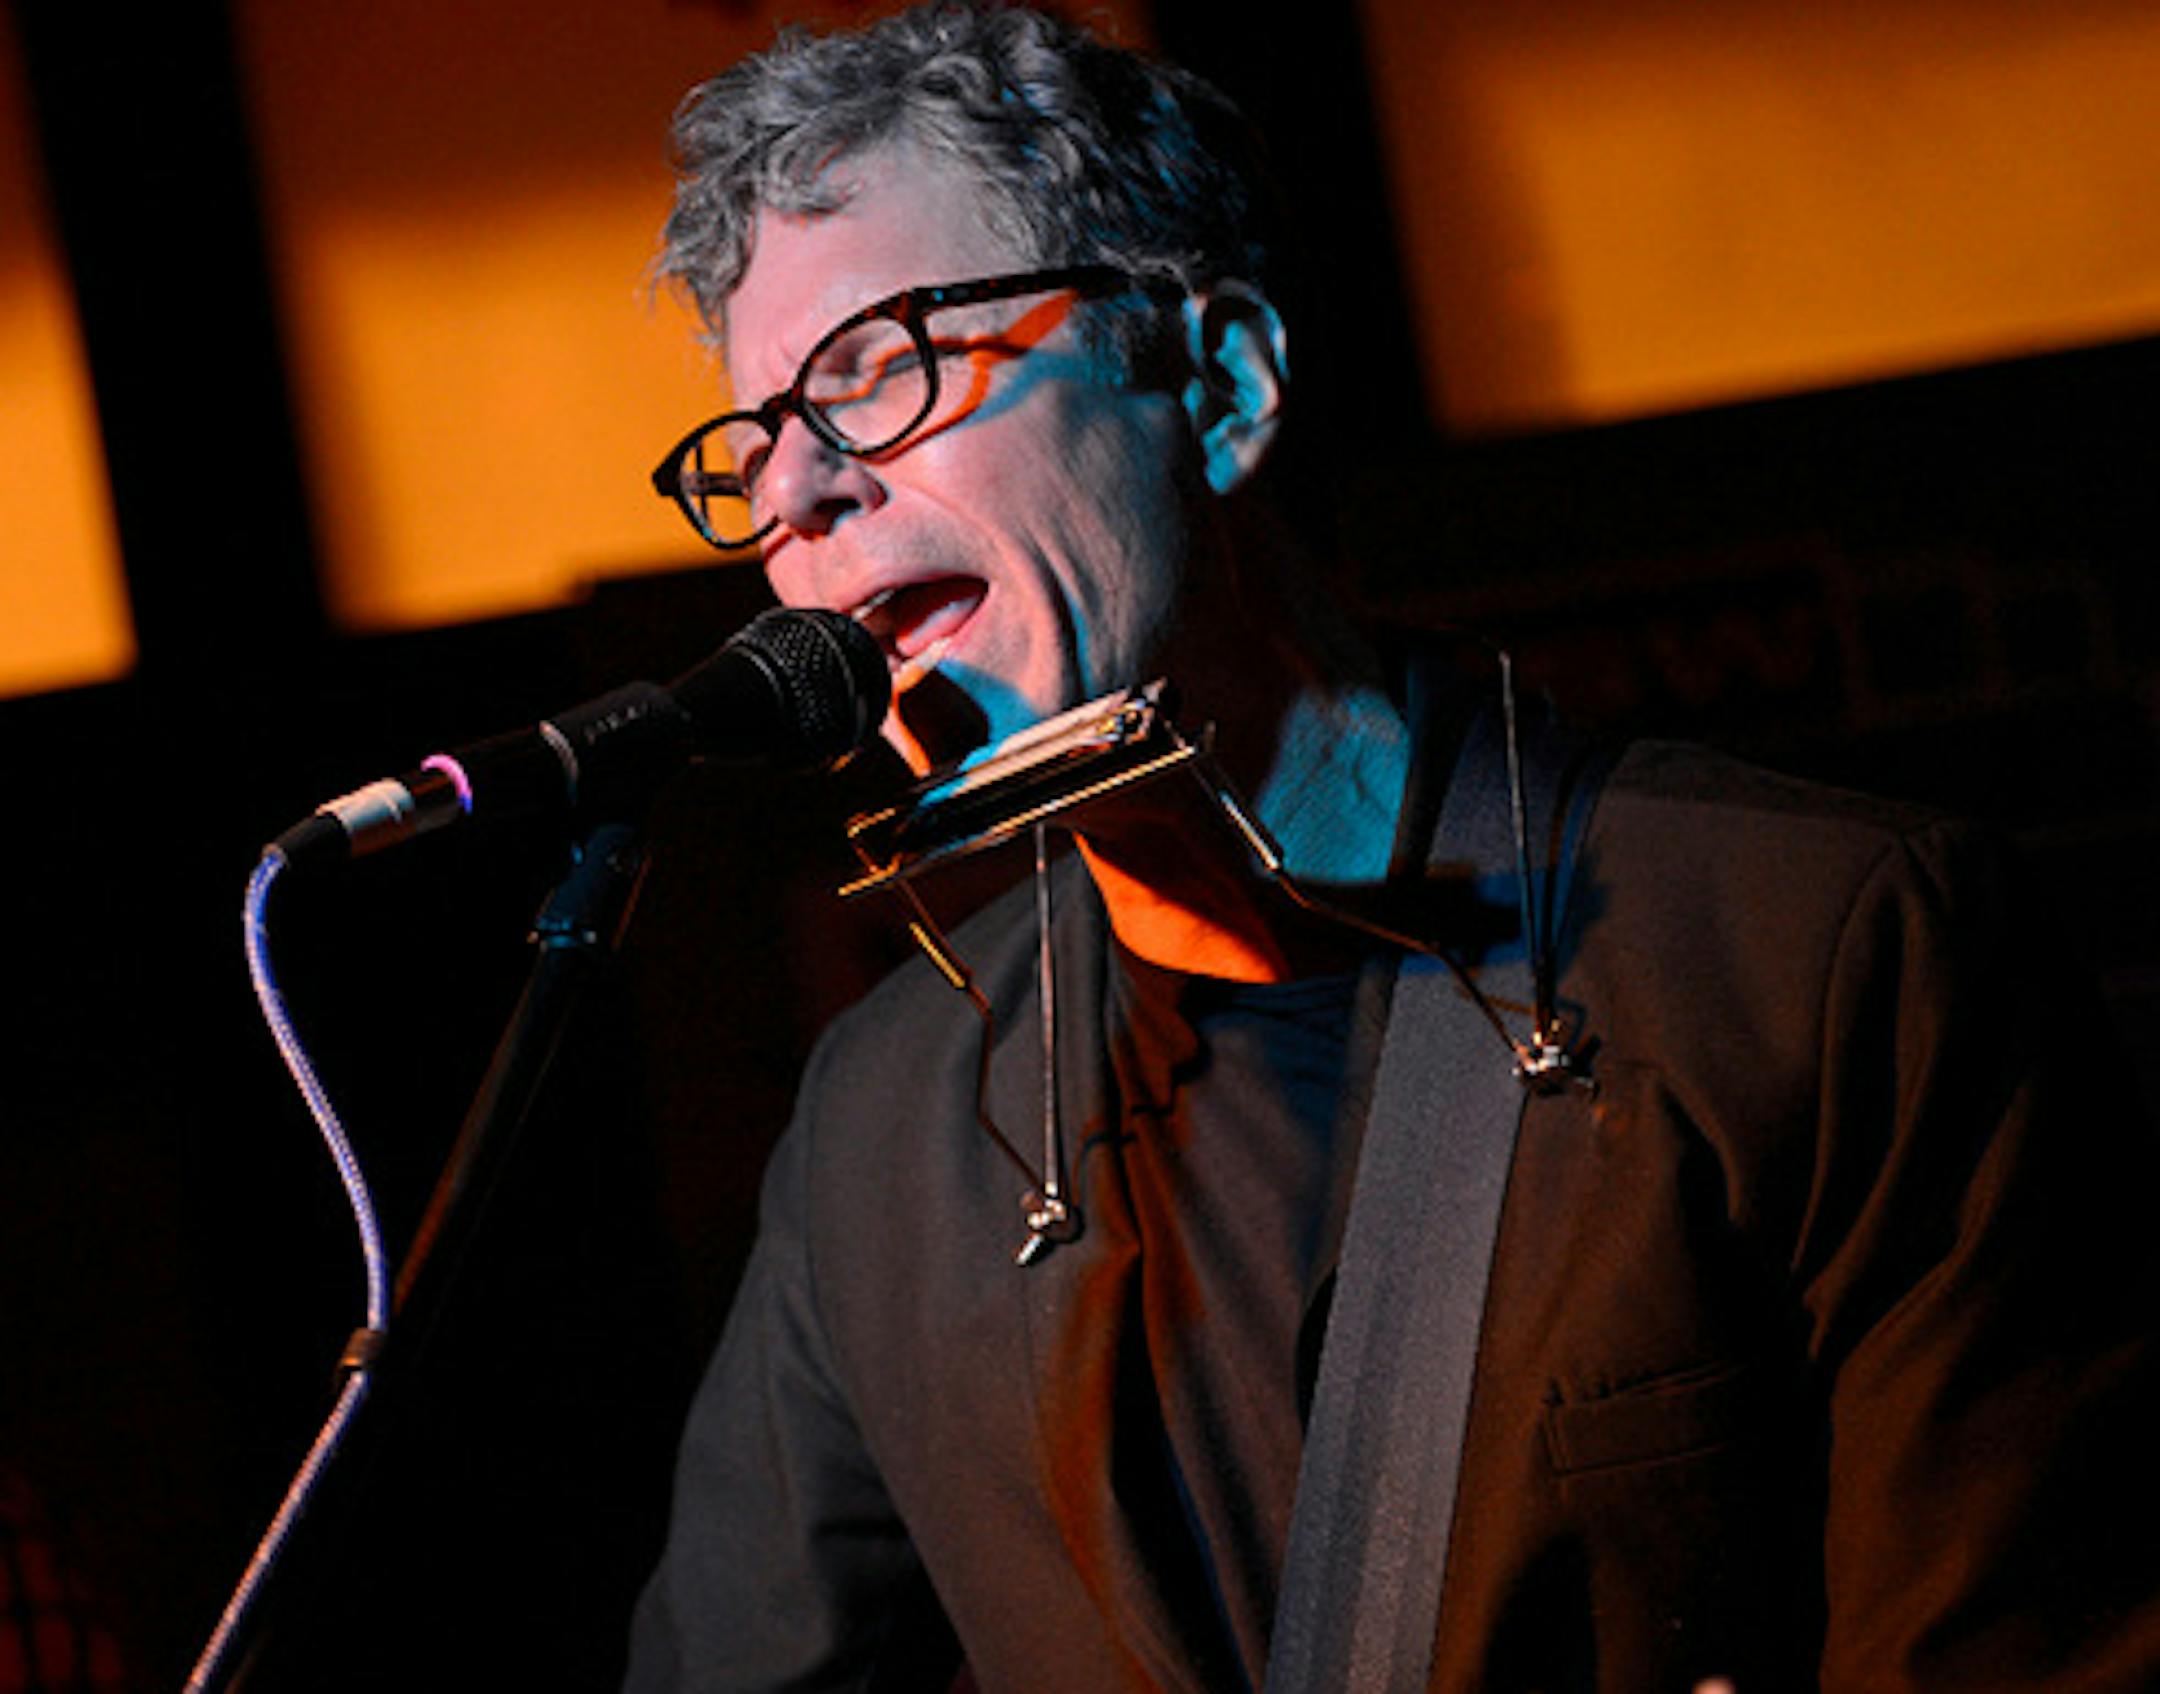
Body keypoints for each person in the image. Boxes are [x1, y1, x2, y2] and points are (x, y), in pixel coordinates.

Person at [623, 4, 2160, 1690]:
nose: (795, 495)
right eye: (758, 436)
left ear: (1217, 388)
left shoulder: (1819, 950)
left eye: (876, 367)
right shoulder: (887, 1126)